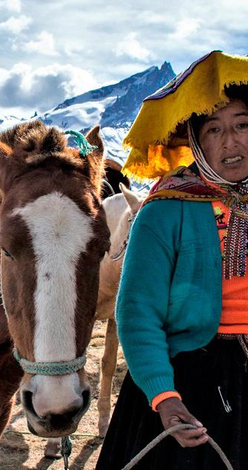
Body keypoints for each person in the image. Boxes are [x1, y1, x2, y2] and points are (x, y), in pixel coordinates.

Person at [97, 51, 248, 469]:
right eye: (214, 130)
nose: (231, 141)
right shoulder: (165, 210)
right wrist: (163, 396)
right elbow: (137, 310)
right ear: (196, 142)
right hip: (188, 378)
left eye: (242, 125)